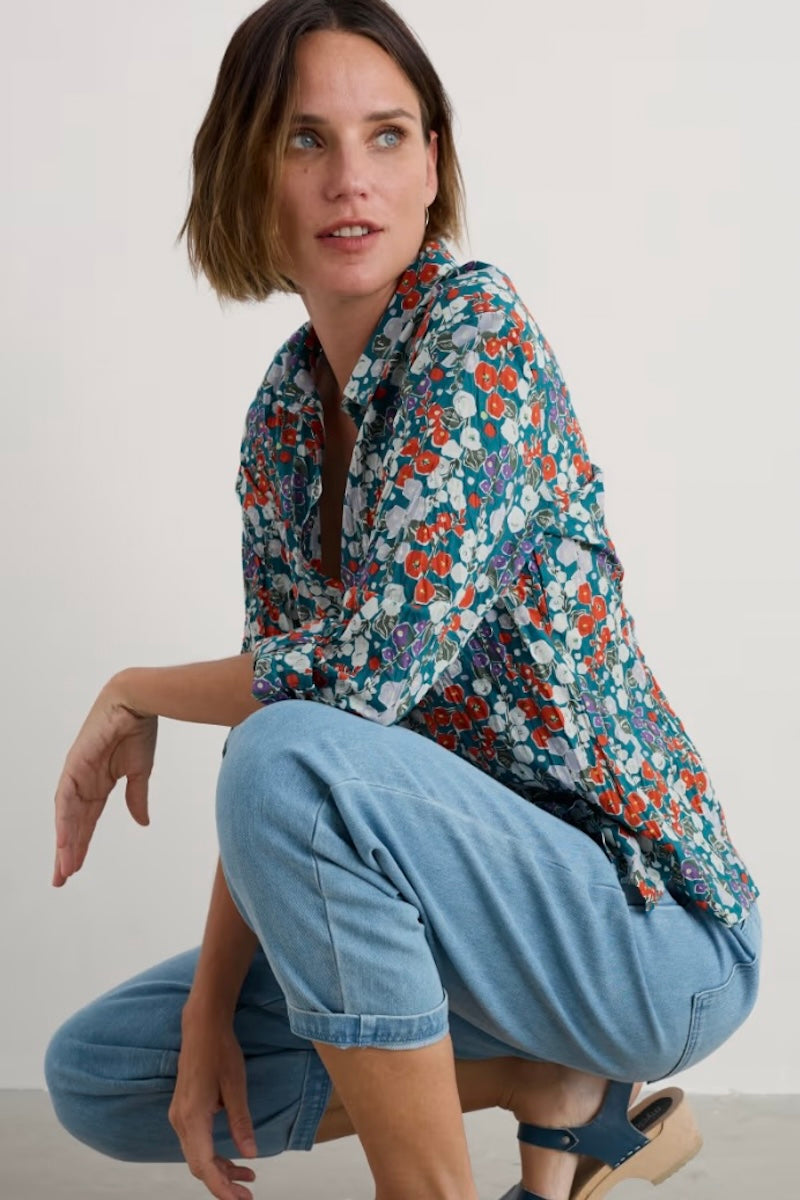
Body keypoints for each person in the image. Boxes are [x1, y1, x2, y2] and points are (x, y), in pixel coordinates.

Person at [43, 3, 761, 1199]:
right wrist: (211, 1007)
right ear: (246, 174)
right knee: (109, 1073)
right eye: (303, 141)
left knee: (281, 750)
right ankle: (545, 1081)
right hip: (459, 919)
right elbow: (307, 739)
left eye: (385, 137)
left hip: (648, 942)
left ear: (433, 165)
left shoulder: (474, 343)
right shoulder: (282, 417)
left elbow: (346, 690)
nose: (349, 182)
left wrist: (133, 691)